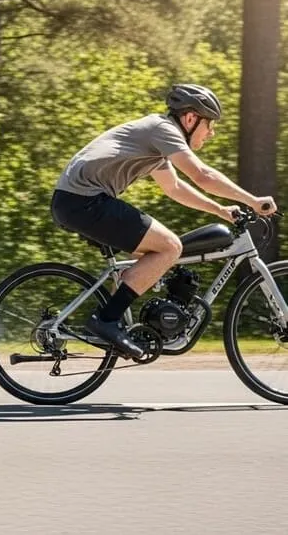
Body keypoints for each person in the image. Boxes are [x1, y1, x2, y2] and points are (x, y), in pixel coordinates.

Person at [50, 84, 277, 358]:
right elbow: (202, 175)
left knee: (156, 256)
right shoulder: (163, 130)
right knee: (170, 247)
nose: (212, 133)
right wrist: (252, 200)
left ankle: (115, 326)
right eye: (210, 125)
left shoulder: (155, 138)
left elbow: (175, 188)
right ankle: (106, 320)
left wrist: (221, 210)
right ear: (191, 119)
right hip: (85, 200)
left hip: (75, 201)